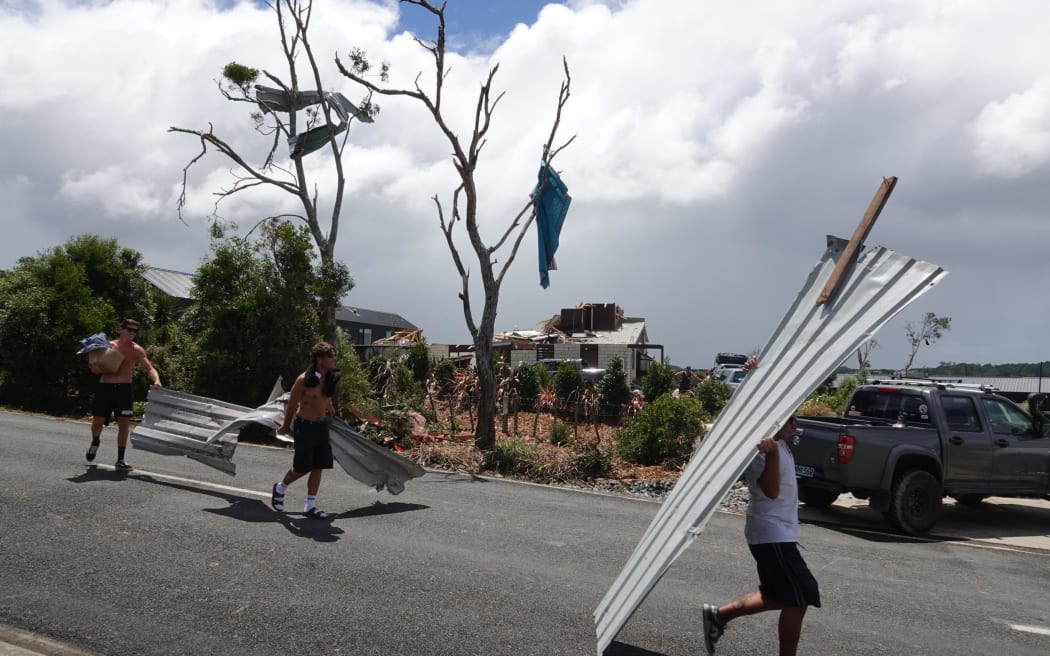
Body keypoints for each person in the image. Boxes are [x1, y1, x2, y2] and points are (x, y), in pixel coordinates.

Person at [702, 415, 820, 656]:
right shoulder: (761, 450)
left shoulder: (778, 443)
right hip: (770, 532)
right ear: (776, 420)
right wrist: (772, 454)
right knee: (800, 595)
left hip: (779, 531)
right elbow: (771, 491)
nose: (794, 426)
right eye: (790, 420)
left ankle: (719, 616)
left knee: (777, 595)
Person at [271, 342, 341, 520]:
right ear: (320, 359)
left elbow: (326, 397)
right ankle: (280, 487)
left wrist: (330, 407)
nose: (334, 359)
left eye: (334, 355)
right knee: (302, 467)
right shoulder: (304, 380)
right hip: (305, 427)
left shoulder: (330, 376)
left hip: (321, 427)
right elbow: (292, 405)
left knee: (319, 466)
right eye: (331, 356)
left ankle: (310, 506)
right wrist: (286, 427)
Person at [86, 319, 162, 471]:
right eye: (129, 329)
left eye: (135, 331)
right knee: (97, 422)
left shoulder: (137, 350)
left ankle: (120, 459)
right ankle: (95, 441)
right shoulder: (108, 346)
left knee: (124, 424)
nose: (132, 333)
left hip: (124, 390)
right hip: (105, 388)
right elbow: (93, 366)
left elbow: (149, 368)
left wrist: (157, 380)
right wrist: (95, 367)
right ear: (121, 329)